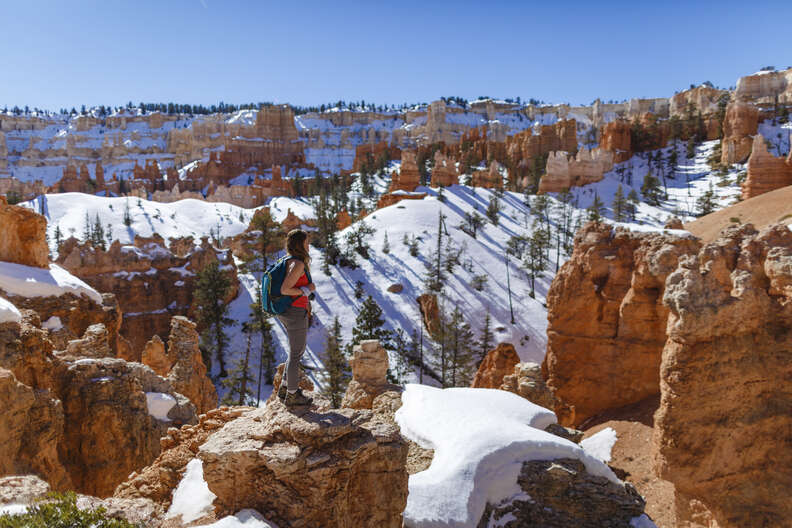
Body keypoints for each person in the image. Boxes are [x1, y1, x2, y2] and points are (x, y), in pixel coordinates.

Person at [276, 229, 316, 406]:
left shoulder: (287, 260)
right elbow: (285, 289)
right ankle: (292, 396)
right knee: (296, 354)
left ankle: (286, 387)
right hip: (294, 312)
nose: (309, 245)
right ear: (300, 244)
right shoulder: (298, 264)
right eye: (306, 242)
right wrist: (307, 290)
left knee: (295, 351)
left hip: (289, 310)